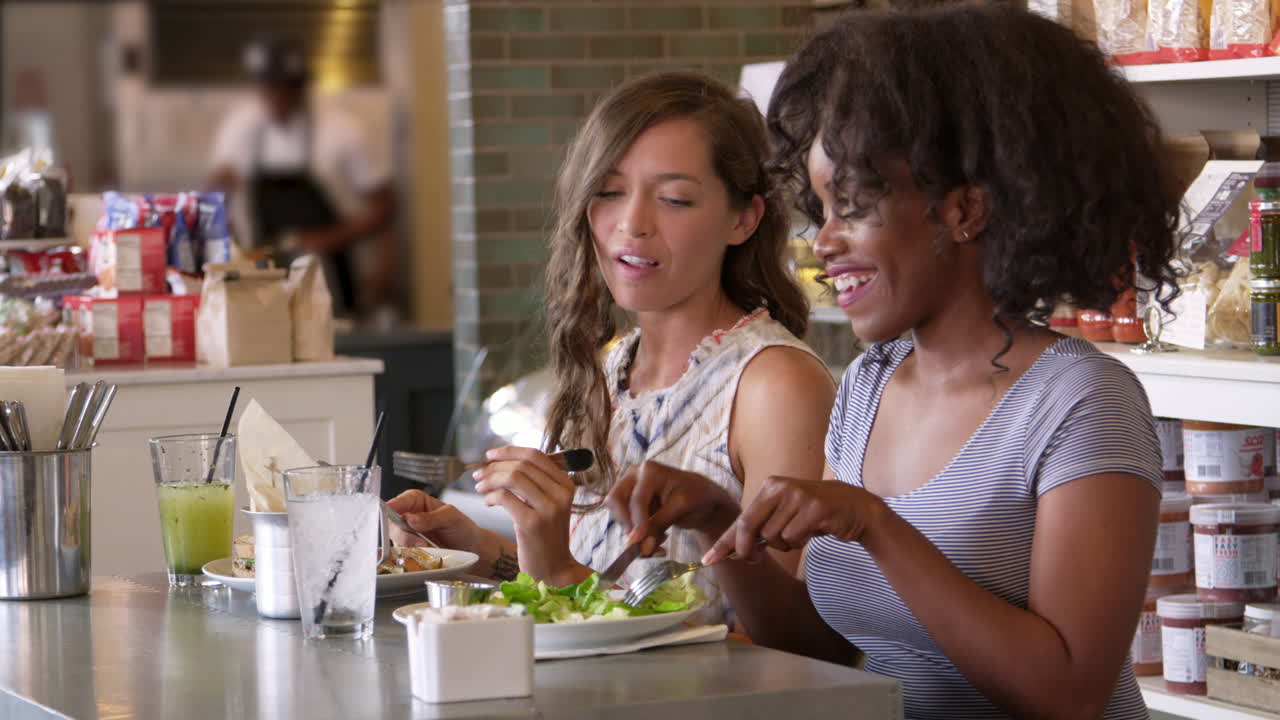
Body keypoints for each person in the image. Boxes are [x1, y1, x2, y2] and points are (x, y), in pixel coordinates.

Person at [606, 6, 1182, 718]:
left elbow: (1068, 692)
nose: (825, 243)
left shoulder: (1082, 401)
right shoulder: (866, 387)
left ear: (963, 210)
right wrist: (723, 520)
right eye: (821, 211)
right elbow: (818, 649)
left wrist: (876, 525)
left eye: (853, 206)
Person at [388, 71, 835, 626]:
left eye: (674, 199)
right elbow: (597, 583)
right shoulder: (610, 367)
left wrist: (559, 573)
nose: (632, 223)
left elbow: (793, 642)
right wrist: (477, 548)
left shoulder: (773, 385)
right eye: (609, 192)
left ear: (743, 219)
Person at [207, 38, 397, 316]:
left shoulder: (342, 129)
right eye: (269, 88)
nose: (277, 98)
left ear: (302, 88)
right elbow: (216, 200)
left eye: (287, 89)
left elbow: (385, 207)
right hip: (264, 276)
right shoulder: (239, 129)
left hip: (335, 273)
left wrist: (334, 241)